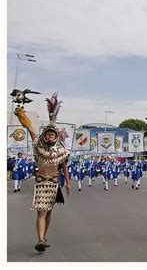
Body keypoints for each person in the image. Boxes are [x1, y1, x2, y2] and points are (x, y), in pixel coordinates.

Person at [14, 93, 71, 253]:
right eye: (48, 134)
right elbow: (30, 129)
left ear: (55, 136)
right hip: (41, 182)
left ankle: (43, 237)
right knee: (41, 211)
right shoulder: (38, 145)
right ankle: (39, 239)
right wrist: (21, 115)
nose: (50, 136)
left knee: (49, 212)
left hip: (54, 183)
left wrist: (67, 183)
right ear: (45, 136)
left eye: (53, 134)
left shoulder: (60, 150)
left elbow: (64, 166)